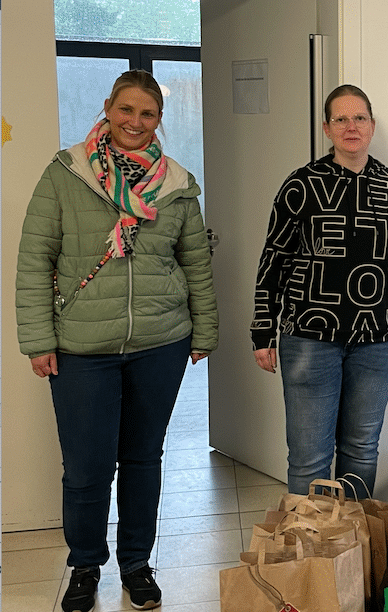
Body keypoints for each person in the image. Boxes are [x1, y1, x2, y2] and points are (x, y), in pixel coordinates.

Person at [16, 69, 218, 612]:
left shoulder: (176, 184)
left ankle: (136, 563)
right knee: (86, 467)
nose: (135, 122)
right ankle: (85, 564)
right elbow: (35, 259)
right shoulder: (67, 172)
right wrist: (38, 339)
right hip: (82, 347)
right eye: (126, 110)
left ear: (158, 120)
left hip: (161, 341)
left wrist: (205, 329)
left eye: (147, 114)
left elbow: (195, 262)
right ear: (108, 108)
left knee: (143, 459)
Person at [251, 84, 388, 497]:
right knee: (310, 457)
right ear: (327, 129)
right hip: (309, 337)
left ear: (372, 125)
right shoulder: (302, 185)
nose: (352, 126)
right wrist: (262, 330)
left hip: (379, 338)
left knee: (362, 449)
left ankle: (351, 550)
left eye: (360, 118)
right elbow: (273, 261)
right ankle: (308, 553)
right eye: (341, 119)